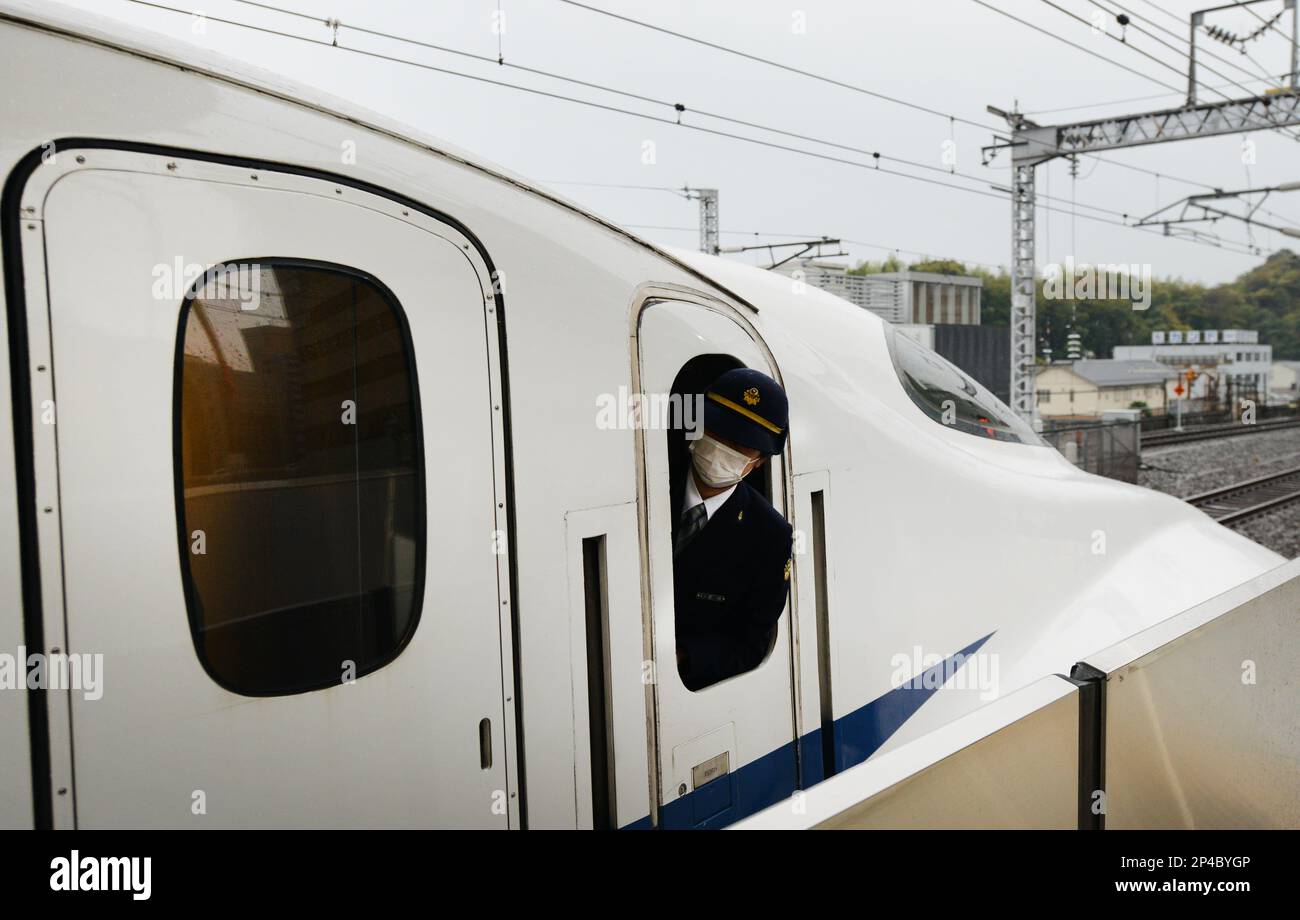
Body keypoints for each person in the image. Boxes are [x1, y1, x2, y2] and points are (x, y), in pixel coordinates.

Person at [672, 367, 793, 691]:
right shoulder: (647, 480)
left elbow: (751, 644)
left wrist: (682, 657)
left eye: (742, 446)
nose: (724, 447)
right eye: (717, 431)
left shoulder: (769, 535)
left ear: (759, 462)